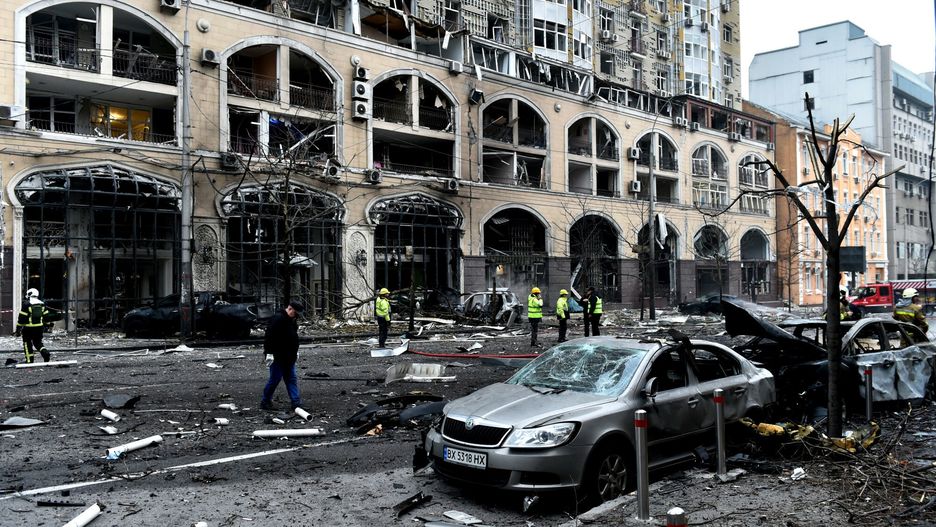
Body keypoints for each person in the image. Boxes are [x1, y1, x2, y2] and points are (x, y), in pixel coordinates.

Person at [260, 300, 304, 411]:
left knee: (285, 379)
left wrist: (295, 351)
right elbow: (270, 337)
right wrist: (269, 353)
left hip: (285, 355)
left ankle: (295, 402)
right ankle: (266, 401)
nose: (296, 316)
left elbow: (272, 337)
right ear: (290, 309)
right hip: (279, 356)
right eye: (295, 313)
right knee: (279, 379)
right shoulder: (278, 319)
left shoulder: (286, 319)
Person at [17, 288, 51, 363]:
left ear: (29, 294)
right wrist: (47, 326)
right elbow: (47, 317)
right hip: (39, 328)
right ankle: (45, 353)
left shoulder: (26, 304)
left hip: (28, 328)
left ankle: (29, 360)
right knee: (38, 342)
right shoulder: (42, 304)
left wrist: (18, 329)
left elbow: (21, 318)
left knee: (27, 343)